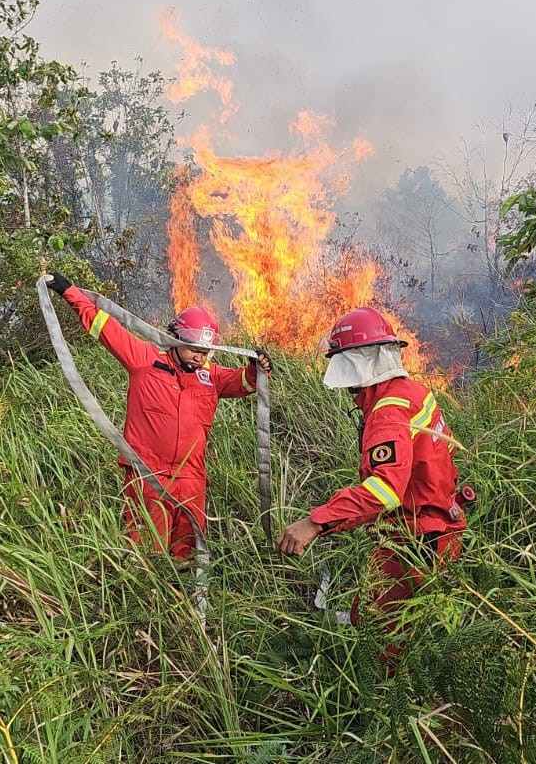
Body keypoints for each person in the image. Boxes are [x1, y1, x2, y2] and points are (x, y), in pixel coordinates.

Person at [275, 306, 466, 662]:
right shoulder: (413, 392)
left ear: (359, 365)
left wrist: (316, 522)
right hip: (439, 528)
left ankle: (384, 704)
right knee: (414, 628)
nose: (347, 390)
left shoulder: (388, 413)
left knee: (383, 641)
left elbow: (385, 490)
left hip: (416, 539)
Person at [46, 272, 271, 561]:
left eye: (205, 352)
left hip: (191, 481)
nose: (199, 357)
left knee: (189, 555)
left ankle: (183, 602)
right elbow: (103, 325)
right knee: (146, 555)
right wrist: (68, 291)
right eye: (193, 349)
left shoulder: (211, 377)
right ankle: (149, 602)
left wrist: (258, 367)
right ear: (173, 339)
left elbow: (245, 383)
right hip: (148, 477)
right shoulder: (143, 360)